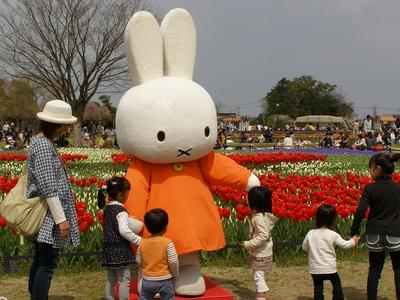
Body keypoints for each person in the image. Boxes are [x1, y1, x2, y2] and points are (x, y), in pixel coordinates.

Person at [27, 100, 80, 299]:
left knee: (41, 260)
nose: (67, 128)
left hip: (50, 213)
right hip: (49, 216)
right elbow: (48, 186)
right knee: (47, 264)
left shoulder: (43, 142)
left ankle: (35, 295)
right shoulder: (42, 145)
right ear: (56, 124)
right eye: (65, 124)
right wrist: (61, 219)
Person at [350, 153, 400, 299]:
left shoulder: (370, 188)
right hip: (394, 232)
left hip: (374, 232)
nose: (370, 171)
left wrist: (355, 230)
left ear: (378, 168)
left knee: (375, 269)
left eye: (370, 168)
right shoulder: (397, 188)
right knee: (398, 268)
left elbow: (360, 210)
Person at [302, 204, 359, 300]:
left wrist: (313, 251)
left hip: (315, 268)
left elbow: (304, 247)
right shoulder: (333, 234)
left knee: (318, 288)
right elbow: (345, 245)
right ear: (333, 219)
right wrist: (353, 241)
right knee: (336, 284)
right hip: (329, 267)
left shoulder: (311, 233)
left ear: (317, 218)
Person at [98, 177, 141, 300]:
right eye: (128, 192)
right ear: (121, 194)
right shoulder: (121, 210)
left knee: (111, 279)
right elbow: (124, 230)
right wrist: (138, 239)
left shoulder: (108, 208)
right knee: (124, 280)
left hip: (108, 248)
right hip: (120, 249)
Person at [243, 186, 278, 300]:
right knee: (258, 275)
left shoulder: (258, 219)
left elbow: (263, 235)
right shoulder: (265, 216)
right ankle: (259, 295)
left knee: (258, 277)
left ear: (253, 203)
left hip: (260, 254)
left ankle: (261, 297)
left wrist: (249, 244)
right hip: (264, 252)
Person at [136, 208, 179, 300]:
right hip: (165, 280)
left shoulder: (142, 243)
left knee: (144, 298)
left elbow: (138, 260)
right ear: (165, 228)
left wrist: (146, 268)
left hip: (147, 279)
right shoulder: (168, 243)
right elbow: (173, 261)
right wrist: (175, 274)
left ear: (147, 227)